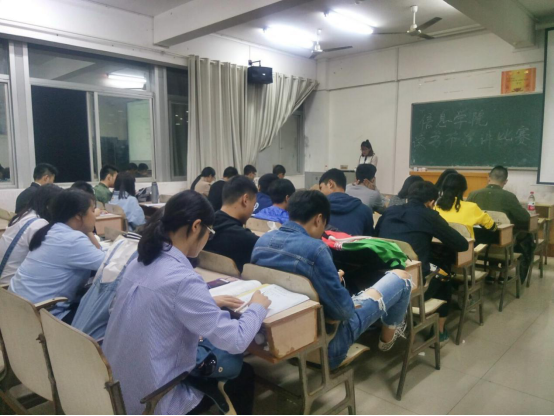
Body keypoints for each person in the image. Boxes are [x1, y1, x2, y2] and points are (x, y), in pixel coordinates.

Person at [103, 191, 270, 415]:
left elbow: (160, 300)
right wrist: (257, 306)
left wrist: (206, 302)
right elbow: (237, 340)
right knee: (244, 375)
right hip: (154, 400)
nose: (208, 238)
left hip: (117, 391)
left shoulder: (140, 261)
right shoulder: (183, 279)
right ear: (196, 226)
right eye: (209, 233)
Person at [252, 190, 414, 368]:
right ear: (319, 219)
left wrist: (325, 281)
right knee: (402, 278)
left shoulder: (262, 242)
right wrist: (336, 285)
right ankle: (387, 341)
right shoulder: (316, 249)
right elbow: (344, 312)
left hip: (282, 339)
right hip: (327, 346)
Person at [376, 181, 469, 345]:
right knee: (445, 275)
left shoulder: (390, 211)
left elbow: (376, 237)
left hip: (380, 281)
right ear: (431, 202)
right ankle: (439, 332)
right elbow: (461, 244)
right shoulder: (429, 216)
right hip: (411, 286)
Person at [9, 189, 105, 323]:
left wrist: (86, 230)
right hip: (42, 317)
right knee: (106, 310)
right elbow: (109, 265)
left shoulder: (51, 231)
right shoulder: (72, 240)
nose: (95, 216)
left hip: (15, 310)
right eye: (93, 210)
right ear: (79, 215)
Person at [468, 166, 534, 283]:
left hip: (477, 243)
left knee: (493, 232)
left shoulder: (473, 194)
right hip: (501, 245)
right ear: (505, 181)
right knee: (516, 235)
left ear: (488, 178)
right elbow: (524, 218)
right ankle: (503, 275)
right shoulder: (509, 197)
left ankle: (491, 273)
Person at [0, 184, 63, 285]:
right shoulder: (39, 224)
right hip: (10, 285)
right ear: (48, 206)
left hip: (4, 278)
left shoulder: (23, 215)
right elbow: (48, 260)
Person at [205, 177, 259, 273]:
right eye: (253, 204)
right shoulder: (248, 239)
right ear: (245, 200)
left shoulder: (203, 228)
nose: (252, 210)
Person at [435, 173, 497, 238]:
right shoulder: (471, 208)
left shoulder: (436, 207)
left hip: (439, 243)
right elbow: (492, 227)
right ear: (464, 190)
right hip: (465, 244)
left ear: (443, 188)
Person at [319, 169, 374, 236]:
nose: (320, 192)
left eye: (321, 188)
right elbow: (369, 239)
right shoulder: (365, 211)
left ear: (330, 184)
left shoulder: (317, 210)